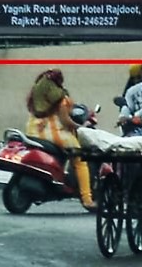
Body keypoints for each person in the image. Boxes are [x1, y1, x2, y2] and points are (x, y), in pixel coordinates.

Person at [25, 69, 94, 210]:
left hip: (32, 131)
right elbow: (66, 121)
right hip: (54, 134)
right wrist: (80, 126)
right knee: (80, 160)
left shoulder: (34, 95)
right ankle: (87, 199)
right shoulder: (61, 98)